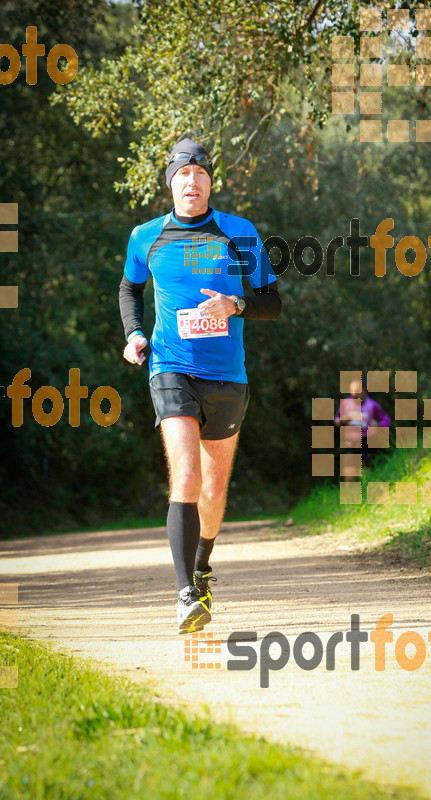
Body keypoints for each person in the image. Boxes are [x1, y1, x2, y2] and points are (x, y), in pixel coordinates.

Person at [119, 138, 281, 633]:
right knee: (185, 478)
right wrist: (134, 335)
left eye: (200, 175)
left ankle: (203, 565)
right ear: (170, 183)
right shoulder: (146, 236)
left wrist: (235, 306)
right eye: (182, 176)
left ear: (211, 182)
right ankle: (185, 593)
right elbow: (130, 287)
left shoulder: (239, 233)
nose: (192, 183)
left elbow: (272, 301)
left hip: (228, 376)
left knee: (212, 491)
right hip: (170, 367)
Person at [335, 380, 392, 469]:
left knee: (369, 469)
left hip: (368, 441)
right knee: (349, 471)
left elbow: (386, 420)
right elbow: (337, 420)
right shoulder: (345, 403)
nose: (354, 393)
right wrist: (342, 421)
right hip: (351, 442)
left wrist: (379, 426)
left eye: (357, 390)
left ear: (364, 390)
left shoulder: (372, 405)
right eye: (352, 390)